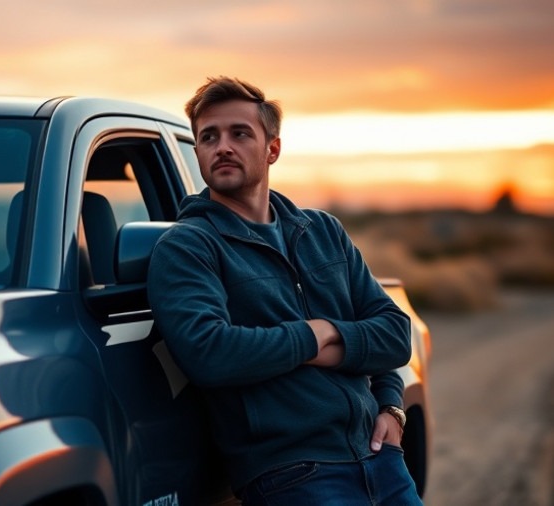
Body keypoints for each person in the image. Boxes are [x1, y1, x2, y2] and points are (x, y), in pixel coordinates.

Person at [147, 76, 423, 505]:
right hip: (291, 474)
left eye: (240, 133)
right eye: (209, 137)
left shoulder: (322, 231)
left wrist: (391, 405)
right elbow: (211, 353)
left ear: (272, 148)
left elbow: (392, 333)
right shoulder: (188, 246)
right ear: (198, 151)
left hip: (379, 457)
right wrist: (316, 335)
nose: (223, 146)